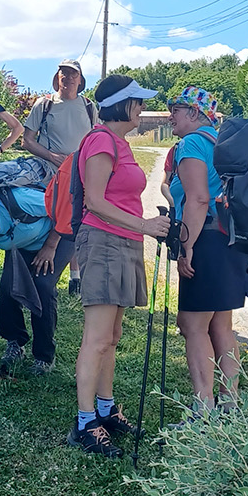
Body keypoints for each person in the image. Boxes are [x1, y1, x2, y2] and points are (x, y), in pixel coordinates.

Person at [68, 74, 172, 457]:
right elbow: (94, 201)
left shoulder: (119, 142)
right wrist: (145, 226)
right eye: (138, 101)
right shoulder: (101, 140)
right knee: (97, 338)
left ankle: (106, 409)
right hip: (103, 241)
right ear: (122, 104)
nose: (142, 108)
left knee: (112, 336)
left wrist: (140, 230)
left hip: (123, 242)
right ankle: (85, 422)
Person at [166, 87, 245, 415]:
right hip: (230, 239)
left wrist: (186, 247)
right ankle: (230, 404)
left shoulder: (192, 144)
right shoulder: (220, 141)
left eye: (176, 109)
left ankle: (203, 408)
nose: (170, 115)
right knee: (220, 325)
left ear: (195, 113)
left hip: (205, 239)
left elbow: (198, 199)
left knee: (192, 324)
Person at [0, 185, 71, 376]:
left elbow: (65, 208)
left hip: (58, 237)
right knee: (8, 291)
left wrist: (50, 246)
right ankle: (15, 343)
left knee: (43, 287)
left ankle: (44, 356)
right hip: (23, 244)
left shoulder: (20, 200)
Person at [21, 59, 96, 295]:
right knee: (47, 217)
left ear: (80, 80)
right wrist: (51, 156)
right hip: (47, 173)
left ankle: (75, 276)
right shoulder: (44, 104)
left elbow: (94, 141)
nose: (68, 78)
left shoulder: (89, 107)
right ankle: (35, 266)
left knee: (73, 222)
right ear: (57, 78)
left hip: (78, 174)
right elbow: (27, 141)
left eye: (73, 74)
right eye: (64, 73)